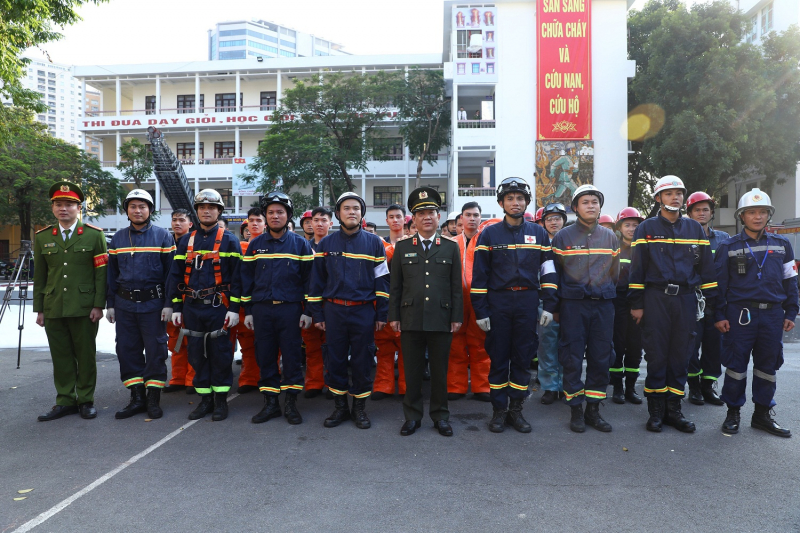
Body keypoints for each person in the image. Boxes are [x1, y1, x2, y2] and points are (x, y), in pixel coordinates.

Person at [628, 175, 718, 433]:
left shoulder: (694, 229)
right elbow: (637, 271)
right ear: (658, 198)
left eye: (679, 193)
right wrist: (637, 304)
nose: (675, 197)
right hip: (655, 298)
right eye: (669, 193)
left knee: (681, 354)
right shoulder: (645, 228)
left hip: (686, 299)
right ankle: (655, 411)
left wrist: (713, 306)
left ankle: (674, 410)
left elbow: (707, 270)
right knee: (657, 354)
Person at [472, 177, 557, 433]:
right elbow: (479, 276)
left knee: (521, 359)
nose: (515, 202)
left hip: (527, 301)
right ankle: (499, 411)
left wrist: (550, 306)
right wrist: (481, 311)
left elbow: (549, 271)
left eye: (520, 198)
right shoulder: (488, 234)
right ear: (501, 203)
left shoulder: (539, 233)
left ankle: (516, 411)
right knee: (498, 359)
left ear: (527, 202)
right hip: (498, 302)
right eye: (510, 198)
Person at [715, 189, 798, 437]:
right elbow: (719, 285)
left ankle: (762, 415)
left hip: (772, 316)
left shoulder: (783, 245)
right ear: (742, 216)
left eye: (763, 212)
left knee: (767, 367)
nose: (758, 216)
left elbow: (791, 281)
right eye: (751, 212)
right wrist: (719, 315)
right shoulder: (728, 247)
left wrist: (791, 312)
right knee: (736, 366)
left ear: (768, 215)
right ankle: (733, 413)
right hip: (740, 315)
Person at [307, 192, 390, 429]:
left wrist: (381, 314)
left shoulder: (375, 243)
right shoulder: (326, 244)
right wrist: (318, 314)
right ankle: (340, 407)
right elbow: (317, 282)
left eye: (356, 208)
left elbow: (382, 282)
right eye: (346, 208)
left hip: (363, 312)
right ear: (338, 214)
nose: (351, 211)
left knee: (363, 361)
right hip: (334, 312)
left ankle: (360, 409)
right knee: (335, 360)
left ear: (362, 213)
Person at [389, 187, 462, 436]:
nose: (427, 217)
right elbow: (395, 286)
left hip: (441, 318)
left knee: (440, 372)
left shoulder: (451, 247)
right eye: (421, 213)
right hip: (410, 318)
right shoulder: (402, 247)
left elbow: (455, 287)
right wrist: (394, 316)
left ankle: (441, 416)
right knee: (413, 371)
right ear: (414, 219)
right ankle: (412, 416)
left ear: (438, 217)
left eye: (431, 211)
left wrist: (456, 317)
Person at [167, 189, 243, 421]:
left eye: (211, 207)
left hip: (219, 306)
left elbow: (238, 278)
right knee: (196, 354)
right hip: (191, 307)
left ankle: (220, 401)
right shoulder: (187, 240)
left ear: (219, 211)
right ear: (197, 212)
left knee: (220, 354)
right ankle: (205, 400)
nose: (206, 211)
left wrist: (234, 309)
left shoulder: (230, 240)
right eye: (202, 207)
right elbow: (175, 275)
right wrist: (176, 307)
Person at [34, 182, 107, 422]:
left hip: (84, 307)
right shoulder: (43, 237)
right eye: (58, 204)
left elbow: (101, 273)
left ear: (79, 207)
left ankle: (85, 400)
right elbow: (40, 276)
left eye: (68, 204)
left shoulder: (94, 235)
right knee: (61, 356)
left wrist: (99, 304)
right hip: (54, 305)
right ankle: (65, 400)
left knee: (85, 355)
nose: (63, 209)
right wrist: (40, 309)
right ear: (53, 208)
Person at [241, 192, 314, 425]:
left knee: (292, 356)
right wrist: (249, 311)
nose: (275, 216)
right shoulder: (255, 245)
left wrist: (308, 311)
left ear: (288, 215)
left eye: (280, 212)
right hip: (262, 311)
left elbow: (309, 281)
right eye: (270, 212)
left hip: (290, 310)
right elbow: (247, 280)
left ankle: (291, 403)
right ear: (265, 216)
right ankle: (270, 403)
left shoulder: (300, 244)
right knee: (265, 356)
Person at [551, 185, 619, 433]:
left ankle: (593, 410)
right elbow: (555, 275)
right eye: (585, 202)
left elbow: (615, 273)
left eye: (595, 202)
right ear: (576, 208)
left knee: (601, 357)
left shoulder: (610, 237)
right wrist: (556, 307)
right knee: (571, 357)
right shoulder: (562, 237)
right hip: (573, 306)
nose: (591, 205)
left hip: (603, 306)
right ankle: (576, 410)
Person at [106, 189, 175, 420]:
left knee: (156, 350)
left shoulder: (163, 236)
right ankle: (137, 398)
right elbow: (111, 273)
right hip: (124, 305)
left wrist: (169, 303)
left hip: (154, 305)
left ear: (150, 210)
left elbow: (170, 275)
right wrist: (111, 304)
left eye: (142, 206)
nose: (138, 211)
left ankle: (153, 399)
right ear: (126, 210)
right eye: (133, 206)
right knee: (127, 350)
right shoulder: (117, 238)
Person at [685, 191, 729, 406]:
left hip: (716, 301)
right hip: (690, 300)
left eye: (705, 210)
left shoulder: (723, 239)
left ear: (711, 213)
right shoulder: (684, 237)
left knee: (714, 347)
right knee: (691, 346)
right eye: (697, 210)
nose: (701, 213)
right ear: (690, 213)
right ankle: (694, 388)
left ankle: (708, 386)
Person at [447, 201, 492, 402]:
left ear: (480, 218)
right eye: (468, 215)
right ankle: (456, 386)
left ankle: (482, 386)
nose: (472, 218)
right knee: (454, 343)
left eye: (475, 214)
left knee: (480, 343)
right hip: (455, 299)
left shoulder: (487, 241)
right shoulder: (449, 243)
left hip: (481, 299)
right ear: (461, 219)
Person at [610, 207, 645, 404]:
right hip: (618, 302)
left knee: (635, 347)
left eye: (635, 225)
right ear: (620, 227)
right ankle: (617, 387)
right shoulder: (614, 248)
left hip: (639, 303)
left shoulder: (645, 248)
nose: (631, 229)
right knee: (618, 345)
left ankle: (630, 388)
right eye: (627, 225)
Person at [373, 204, 408, 400]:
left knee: (407, 348)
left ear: (405, 220)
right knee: (384, 347)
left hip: (407, 303)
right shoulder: (379, 245)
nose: (395, 220)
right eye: (391, 217)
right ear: (386, 221)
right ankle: (383, 385)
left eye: (398, 217)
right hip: (383, 303)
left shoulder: (413, 243)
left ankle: (406, 386)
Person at [234, 207, 266, 394]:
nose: (254, 224)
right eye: (251, 220)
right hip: (244, 302)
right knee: (246, 343)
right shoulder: (238, 247)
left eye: (258, 220)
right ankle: (248, 378)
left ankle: (268, 376)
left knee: (269, 344)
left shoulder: (273, 245)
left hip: (266, 301)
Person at [302, 207, 334, 398]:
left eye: (324, 220)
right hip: (307, 304)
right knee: (311, 345)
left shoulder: (337, 245)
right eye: (316, 220)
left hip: (331, 303)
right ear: (310, 223)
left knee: (332, 346)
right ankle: (313, 382)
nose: (320, 224)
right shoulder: (302, 246)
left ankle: (332, 383)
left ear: (331, 223)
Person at [538, 203, 567, 405]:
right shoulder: (539, 243)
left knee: (568, 345)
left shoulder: (573, 240)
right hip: (544, 300)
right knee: (547, 345)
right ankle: (549, 387)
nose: (553, 222)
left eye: (557, 218)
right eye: (549, 219)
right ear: (543, 223)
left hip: (570, 301)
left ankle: (567, 385)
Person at [164, 209, 195, 394]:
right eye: (174, 220)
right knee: (175, 340)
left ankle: (192, 379)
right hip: (169, 299)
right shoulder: (166, 243)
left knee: (192, 340)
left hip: (190, 299)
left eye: (182, 220)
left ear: (190, 224)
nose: (177, 223)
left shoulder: (196, 242)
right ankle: (178, 378)